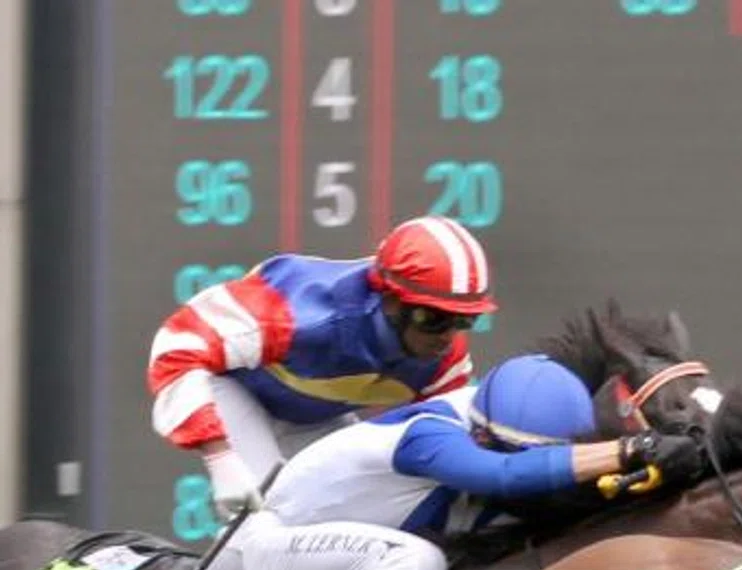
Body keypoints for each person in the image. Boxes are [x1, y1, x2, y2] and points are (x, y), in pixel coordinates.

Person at [188, 353, 705, 570]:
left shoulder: (510, 415)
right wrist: (625, 451)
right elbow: (502, 474)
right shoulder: (430, 436)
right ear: (481, 433)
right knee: (418, 564)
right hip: (279, 557)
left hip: (345, 556)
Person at [147, 215, 497, 521]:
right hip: (234, 391)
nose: (448, 337)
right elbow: (175, 347)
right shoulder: (299, 315)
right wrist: (219, 457)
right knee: (264, 517)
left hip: (316, 414)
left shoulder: (445, 359)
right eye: (432, 318)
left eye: (465, 320)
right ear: (390, 300)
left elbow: (450, 436)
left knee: (348, 516)